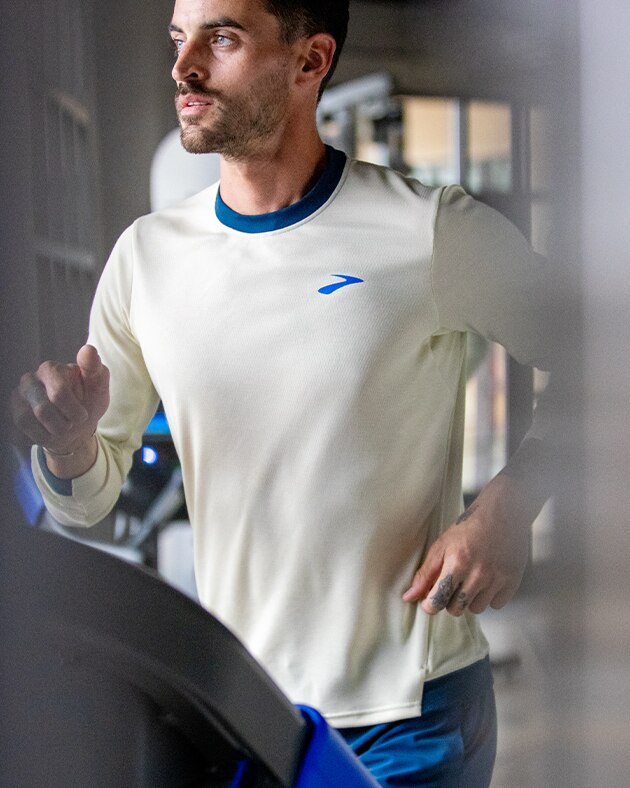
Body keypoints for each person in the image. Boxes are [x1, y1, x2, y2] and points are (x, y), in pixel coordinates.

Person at [11, 0, 553, 784]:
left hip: (410, 712)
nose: (184, 67)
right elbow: (86, 504)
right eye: (179, 39)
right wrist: (67, 447)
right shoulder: (146, 259)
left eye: (221, 38)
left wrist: (509, 505)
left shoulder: (429, 230)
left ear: (310, 60)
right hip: (245, 706)